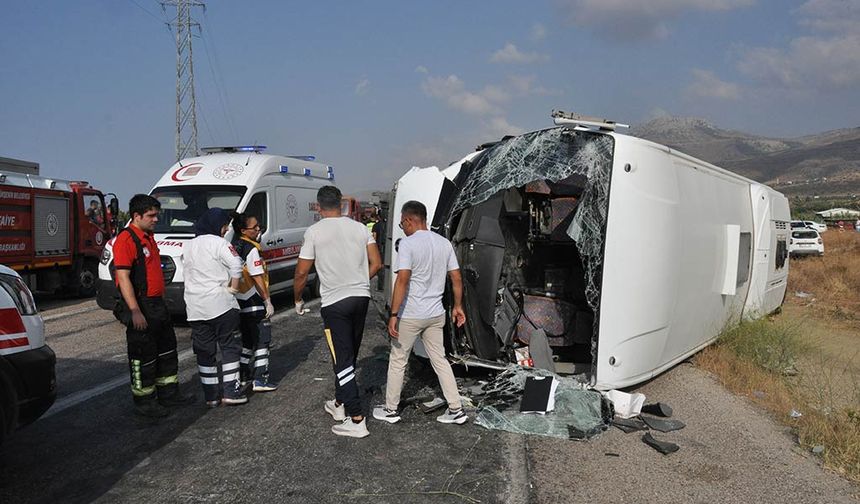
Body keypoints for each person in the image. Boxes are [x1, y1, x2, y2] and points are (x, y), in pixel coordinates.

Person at [294, 186, 383, 438]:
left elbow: (301, 272)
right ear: (341, 205)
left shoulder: (314, 232)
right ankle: (339, 402)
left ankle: (356, 419)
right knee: (347, 353)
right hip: (361, 297)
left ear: (318, 207)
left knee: (342, 358)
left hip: (336, 302)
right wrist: (356, 281)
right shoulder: (358, 228)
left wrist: (298, 299)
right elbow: (376, 263)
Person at [373, 200, 468, 425]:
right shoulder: (444, 243)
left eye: (402, 223)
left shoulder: (408, 244)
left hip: (411, 314)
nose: (402, 228)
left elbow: (402, 279)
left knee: (398, 359)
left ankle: (391, 409)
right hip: (435, 314)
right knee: (440, 359)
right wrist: (457, 306)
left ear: (409, 220)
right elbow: (456, 278)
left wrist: (393, 314)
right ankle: (456, 409)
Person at [113, 194, 192, 417]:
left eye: (157, 215)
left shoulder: (149, 236)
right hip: (142, 306)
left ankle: (169, 395)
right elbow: (123, 277)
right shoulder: (127, 240)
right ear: (136, 216)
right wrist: (135, 311)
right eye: (151, 216)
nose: (156, 219)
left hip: (158, 305)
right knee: (143, 356)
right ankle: (145, 403)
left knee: (167, 351)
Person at [182, 208, 247, 407]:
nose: (226, 230)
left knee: (204, 352)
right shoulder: (219, 243)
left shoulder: (189, 245)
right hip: (220, 304)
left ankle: (211, 396)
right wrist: (233, 289)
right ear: (218, 225)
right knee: (229, 347)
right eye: (225, 226)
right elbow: (237, 264)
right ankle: (231, 392)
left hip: (195, 307)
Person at [231, 212, 277, 392]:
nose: (259, 229)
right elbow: (257, 277)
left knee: (247, 342)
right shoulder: (251, 249)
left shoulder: (234, 246)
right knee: (263, 340)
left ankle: (244, 376)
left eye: (259, 226)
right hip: (254, 300)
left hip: (239, 302)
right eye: (255, 227)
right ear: (243, 230)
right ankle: (261, 378)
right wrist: (267, 301)